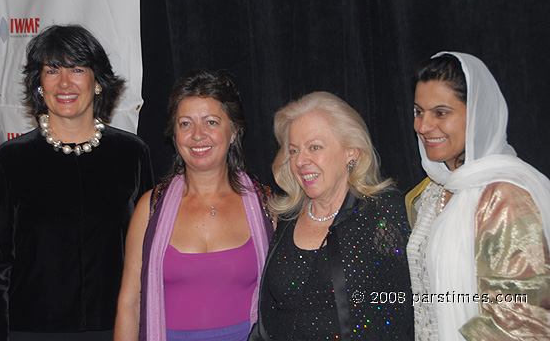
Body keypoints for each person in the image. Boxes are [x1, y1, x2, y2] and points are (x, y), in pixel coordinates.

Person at [0, 24, 154, 341]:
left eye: (77, 68)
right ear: (39, 84)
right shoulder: (11, 160)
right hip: (31, 331)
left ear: (97, 81)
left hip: (115, 329)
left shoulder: (132, 155)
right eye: (52, 70)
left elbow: (148, 257)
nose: (64, 82)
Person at [114, 69, 273, 341]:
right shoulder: (149, 208)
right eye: (185, 124)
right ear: (174, 134)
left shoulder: (266, 205)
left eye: (211, 122)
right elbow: (130, 303)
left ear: (234, 131)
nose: (198, 135)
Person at [406, 52, 550, 340]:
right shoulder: (431, 192)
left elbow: (523, 316)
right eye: (418, 111)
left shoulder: (505, 194)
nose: (423, 126)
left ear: (478, 114)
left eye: (441, 113)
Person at [252, 91, 413, 340]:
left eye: (314, 147)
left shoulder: (383, 213)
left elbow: (403, 306)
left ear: (352, 152)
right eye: (294, 151)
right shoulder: (285, 218)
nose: (301, 161)